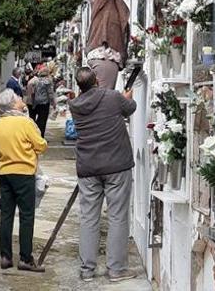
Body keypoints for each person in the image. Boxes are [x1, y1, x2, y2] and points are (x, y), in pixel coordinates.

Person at [68, 67, 137, 283]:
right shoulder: (113, 97)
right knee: (117, 216)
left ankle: (87, 269)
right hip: (116, 164)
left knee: (89, 217)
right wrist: (127, 97)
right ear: (97, 80)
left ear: (79, 86)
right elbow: (131, 107)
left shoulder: (75, 106)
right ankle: (116, 269)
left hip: (88, 167)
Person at [0, 90, 47, 272]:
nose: (21, 100)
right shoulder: (25, 122)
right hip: (23, 172)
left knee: (6, 214)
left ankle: (6, 256)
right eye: (18, 98)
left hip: (4, 172)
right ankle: (25, 258)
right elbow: (41, 145)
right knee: (26, 215)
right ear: (13, 104)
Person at [24, 68, 55, 138]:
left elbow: (33, 92)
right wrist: (53, 103)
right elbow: (50, 93)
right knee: (43, 120)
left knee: (36, 119)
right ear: (47, 74)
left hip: (36, 101)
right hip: (44, 102)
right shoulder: (48, 81)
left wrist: (33, 102)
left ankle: (35, 134)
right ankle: (40, 136)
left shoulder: (36, 81)